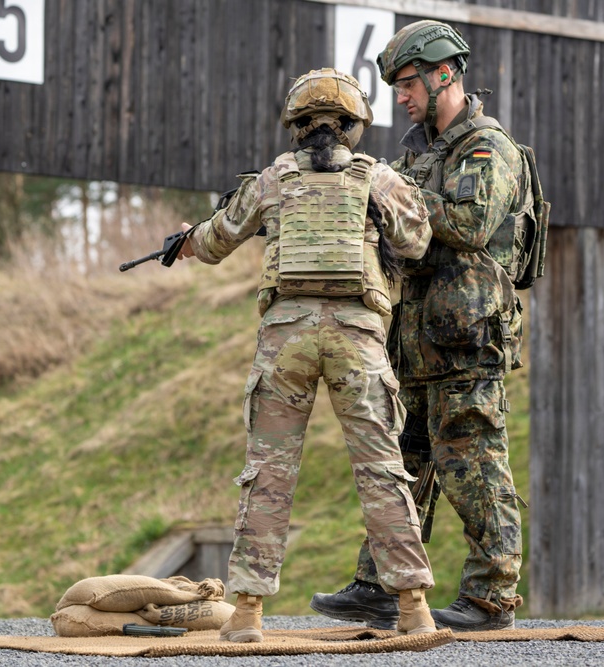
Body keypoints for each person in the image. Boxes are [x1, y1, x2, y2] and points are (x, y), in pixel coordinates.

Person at [177, 67, 436, 643]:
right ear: (355, 126)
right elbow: (416, 242)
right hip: (358, 336)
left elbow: (216, 239)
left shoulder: (272, 180)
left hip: (285, 337)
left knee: (267, 476)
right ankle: (414, 608)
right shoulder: (379, 179)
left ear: (296, 124)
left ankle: (245, 615)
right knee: (381, 471)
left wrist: (185, 241)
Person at [309, 20, 527, 633]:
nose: (400, 96)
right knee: (402, 470)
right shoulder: (416, 153)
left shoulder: (487, 148)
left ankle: (491, 599)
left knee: (475, 466)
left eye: (407, 83)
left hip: (465, 339)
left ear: (445, 75)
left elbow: (468, 223)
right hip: (414, 339)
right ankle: (381, 583)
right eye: (397, 86)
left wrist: (386, 189)